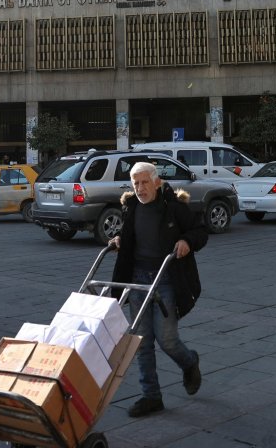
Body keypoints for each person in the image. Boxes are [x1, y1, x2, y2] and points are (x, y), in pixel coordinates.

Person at [109, 162, 205, 418]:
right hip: (137, 280)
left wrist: (187, 241)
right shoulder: (130, 206)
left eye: (144, 182)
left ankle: (189, 362)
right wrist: (119, 239)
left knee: (167, 340)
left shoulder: (174, 208)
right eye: (135, 183)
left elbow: (200, 230)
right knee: (141, 342)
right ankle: (151, 396)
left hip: (165, 280)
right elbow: (128, 233)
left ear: (157, 182)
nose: (140, 188)